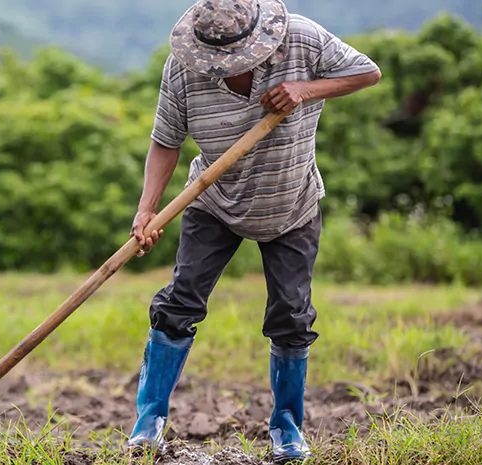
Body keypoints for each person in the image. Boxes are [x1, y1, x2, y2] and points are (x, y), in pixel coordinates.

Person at [127, 0, 381, 462]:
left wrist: (306, 89)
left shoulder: (302, 38)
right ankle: (148, 426)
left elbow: (368, 73)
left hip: (291, 203)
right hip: (214, 201)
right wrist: (147, 210)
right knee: (179, 302)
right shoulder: (183, 69)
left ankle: (287, 431)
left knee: (291, 314)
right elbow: (166, 140)